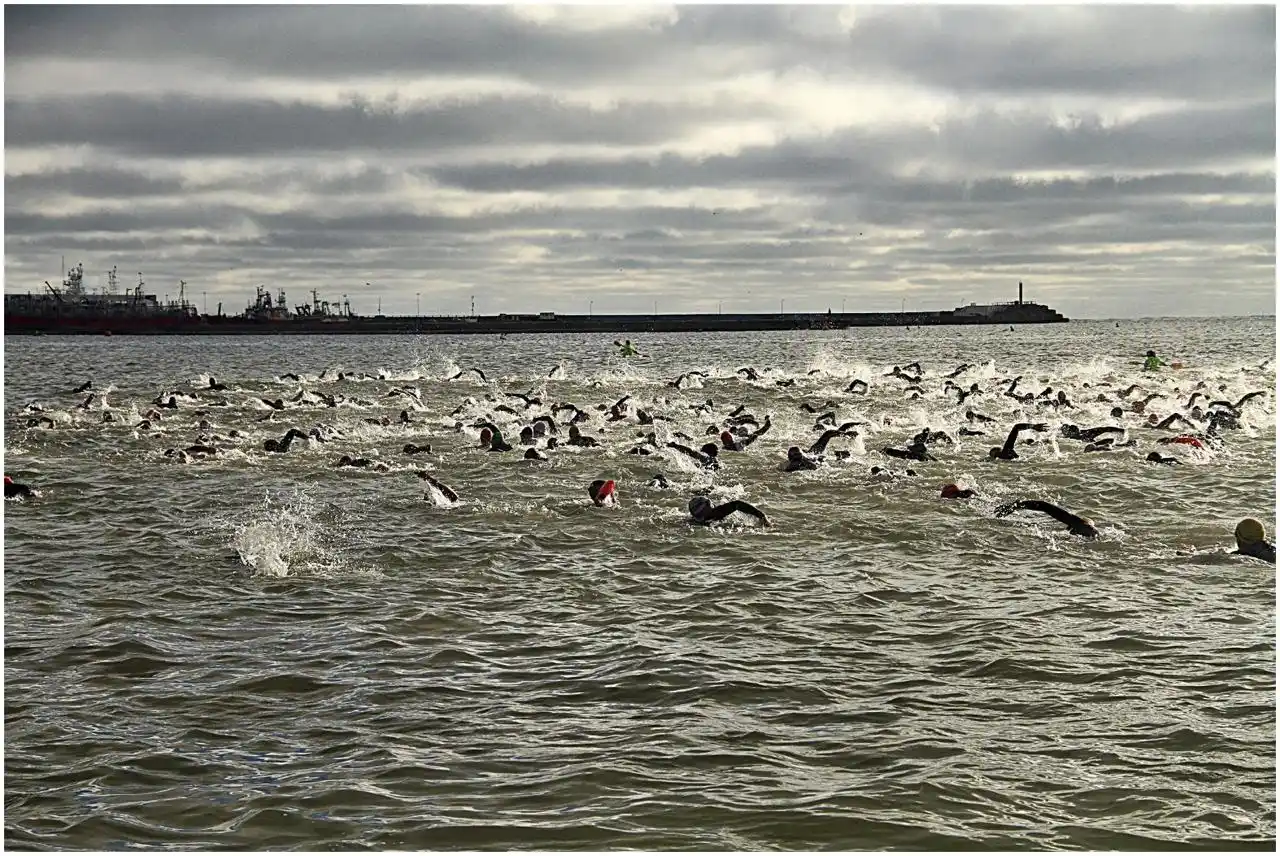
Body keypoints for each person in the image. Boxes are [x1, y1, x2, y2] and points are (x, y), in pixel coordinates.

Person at [994, 499, 1098, 538]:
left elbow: (1044, 506)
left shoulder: (1079, 525)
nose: (1070, 531)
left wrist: (1017, 505)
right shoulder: (1092, 533)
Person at [687, 496, 770, 527]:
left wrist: (761, 516)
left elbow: (737, 504)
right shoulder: (694, 523)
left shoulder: (718, 511)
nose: (705, 517)